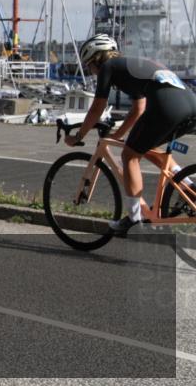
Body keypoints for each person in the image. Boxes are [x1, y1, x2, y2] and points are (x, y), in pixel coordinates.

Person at [67, 34, 196, 235]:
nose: (90, 71)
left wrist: (78, 136)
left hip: (168, 107)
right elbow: (138, 109)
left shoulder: (109, 67)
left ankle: (135, 217)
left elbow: (97, 108)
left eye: (88, 65)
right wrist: (118, 136)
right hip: (190, 105)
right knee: (146, 146)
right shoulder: (129, 66)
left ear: (96, 59)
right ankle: (191, 189)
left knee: (129, 156)